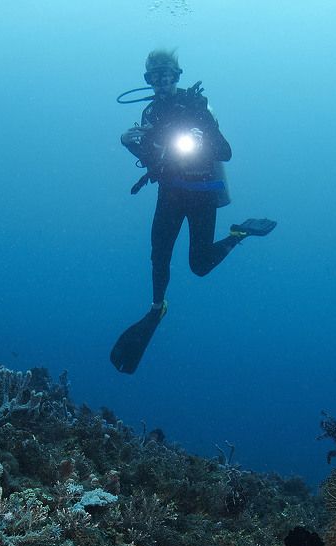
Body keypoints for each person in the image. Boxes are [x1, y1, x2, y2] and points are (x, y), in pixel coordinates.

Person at [111, 49, 275, 373]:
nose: (161, 81)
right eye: (154, 76)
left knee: (199, 266)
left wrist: (205, 137)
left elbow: (225, 152)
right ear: (148, 80)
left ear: (177, 75)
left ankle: (238, 234)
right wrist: (129, 142)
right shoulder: (150, 113)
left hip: (202, 195)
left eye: (167, 74)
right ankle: (158, 306)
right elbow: (151, 159)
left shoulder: (198, 107)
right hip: (170, 194)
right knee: (159, 255)